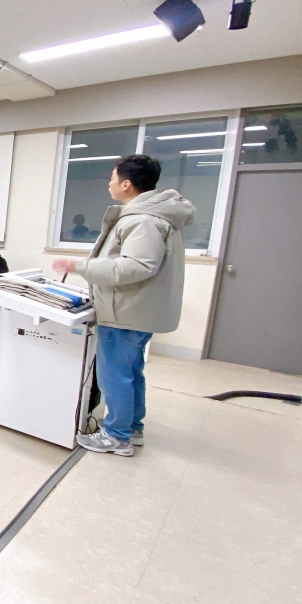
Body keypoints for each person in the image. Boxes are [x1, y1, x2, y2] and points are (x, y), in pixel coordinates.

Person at [52, 154, 194, 457]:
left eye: (112, 178)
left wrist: (80, 266)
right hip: (136, 310)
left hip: (126, 311)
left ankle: (117, 436)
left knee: (114, 374)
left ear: (126, 183)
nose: (109, 183)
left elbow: (137, 265)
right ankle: (132, 428)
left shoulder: (143, 220)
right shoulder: (154, 216)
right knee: (130, 371)